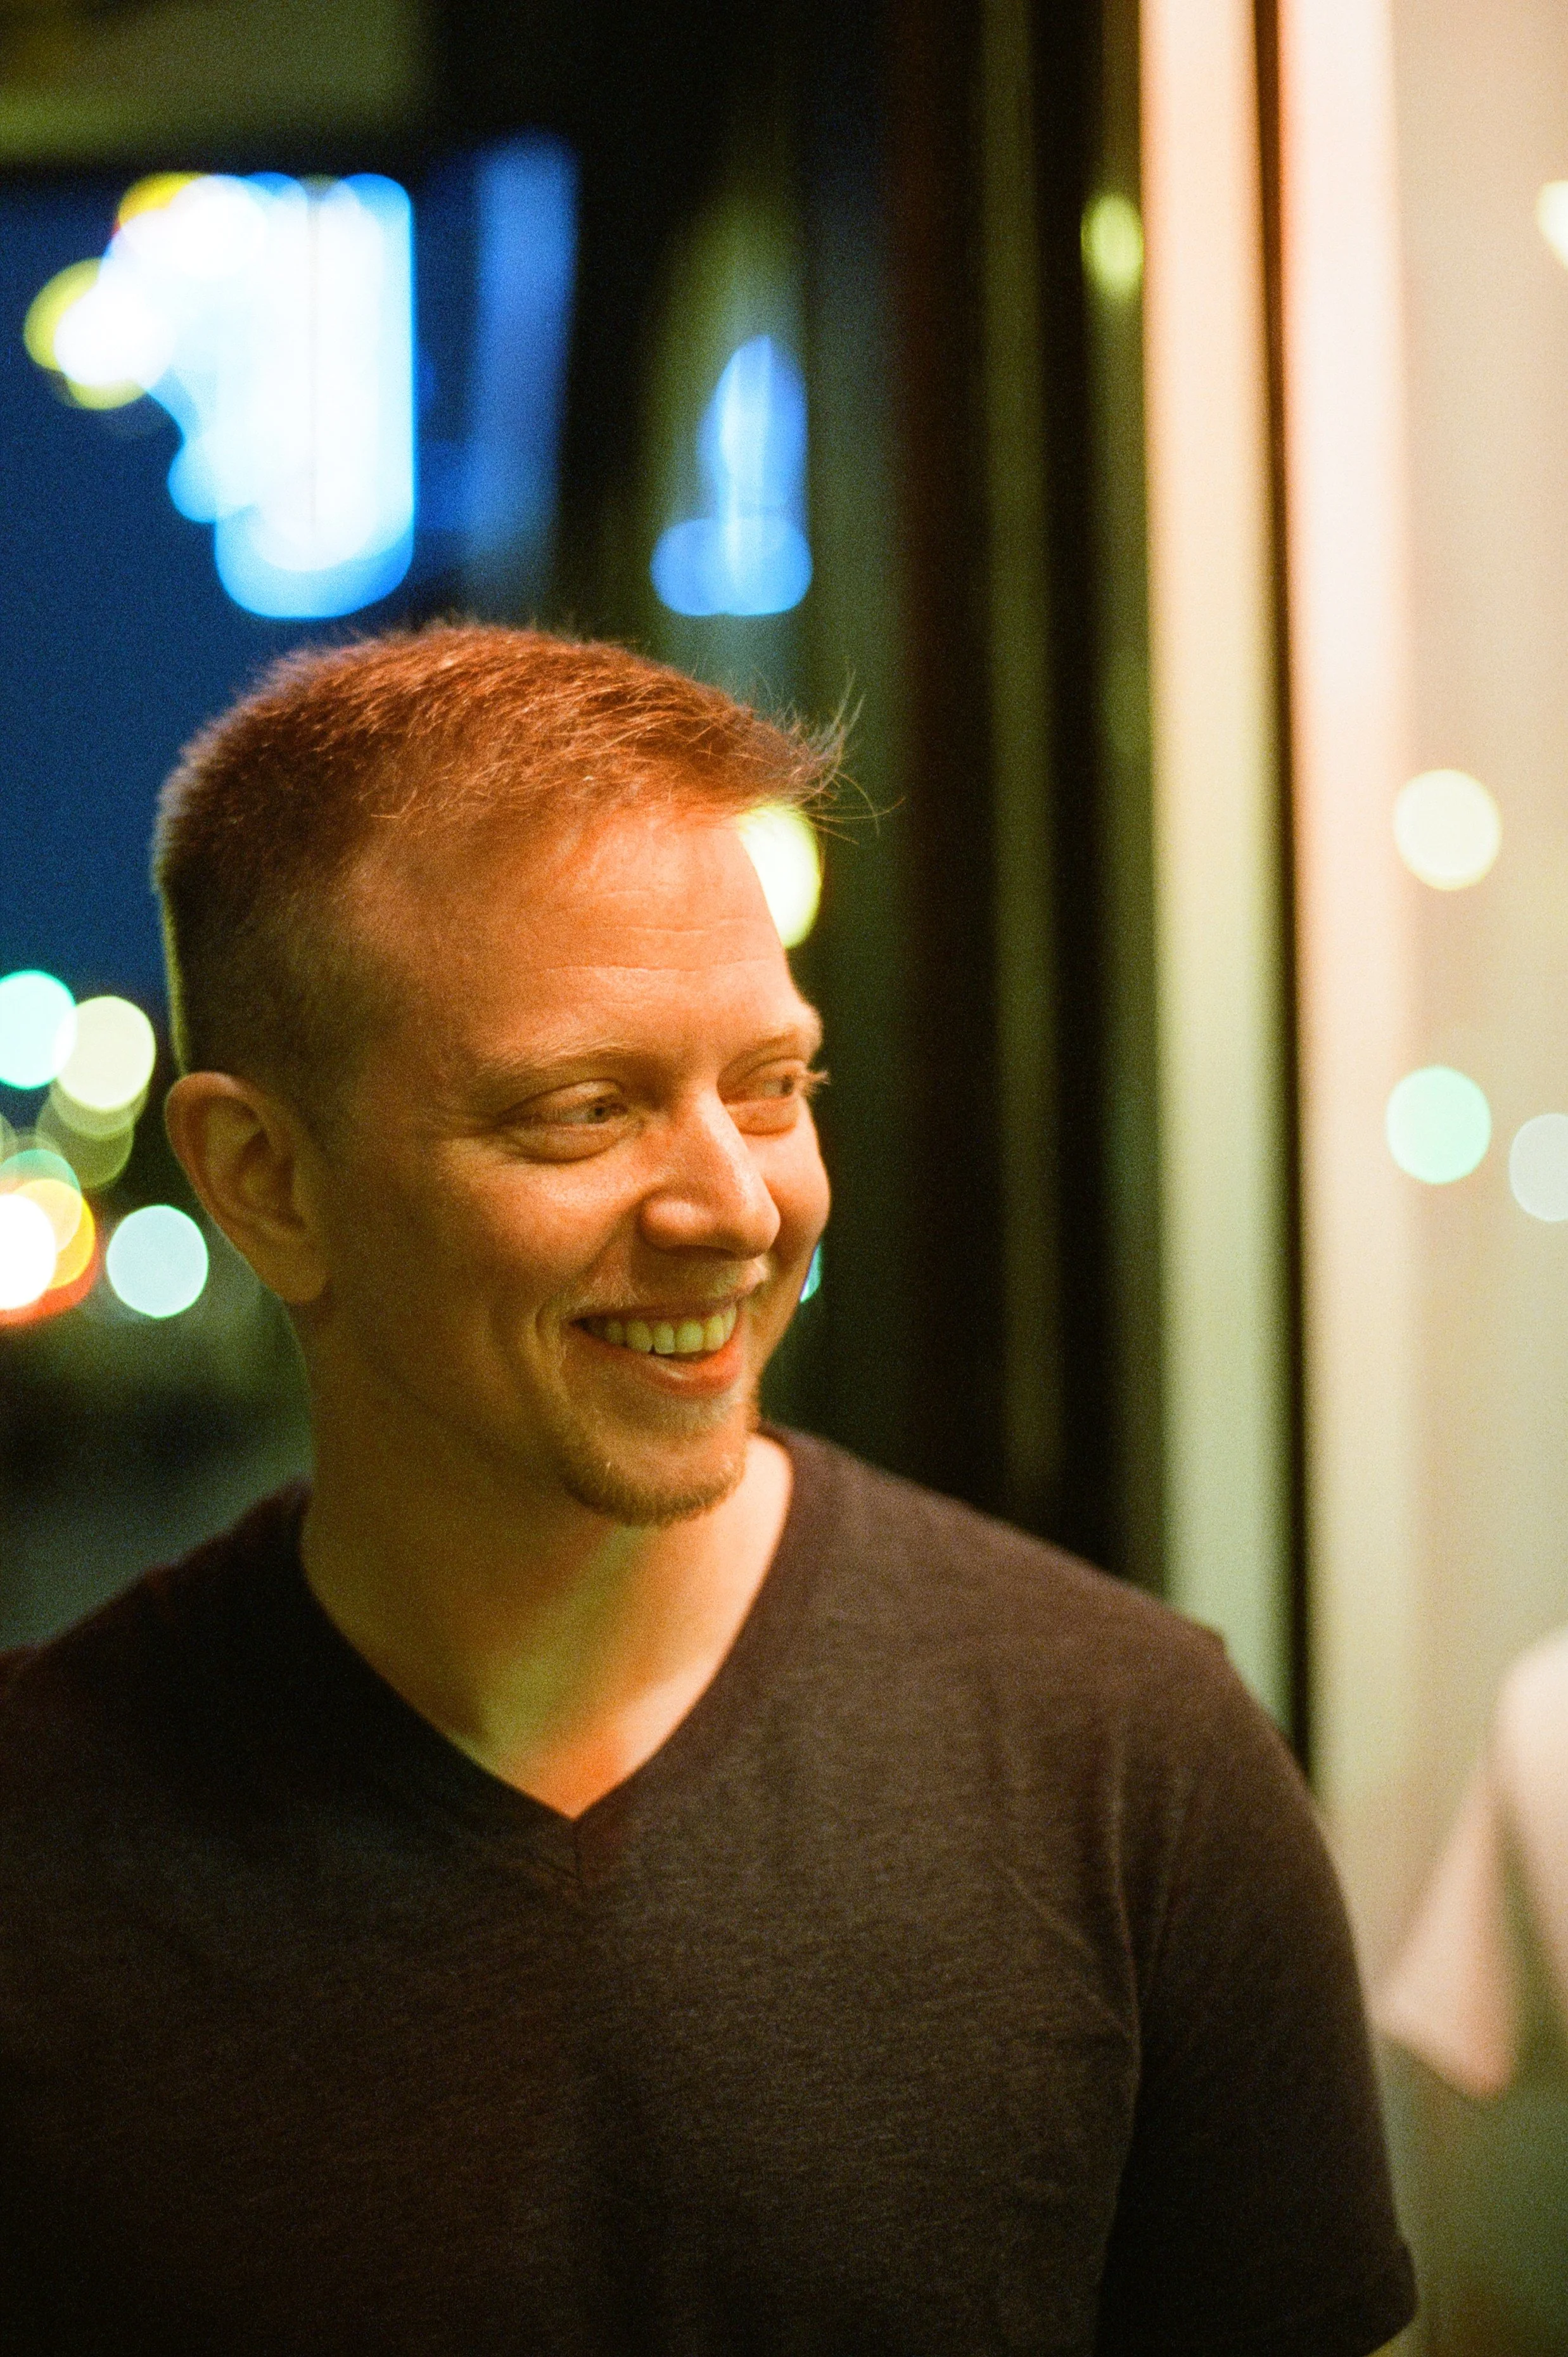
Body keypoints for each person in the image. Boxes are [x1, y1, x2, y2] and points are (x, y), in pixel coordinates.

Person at [0, 627, 1415, 2355]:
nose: (737, 1206)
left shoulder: (1128, 1766)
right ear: (266, 1181)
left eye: (772, 1088)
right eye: (583, 1112)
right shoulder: (47, 1843)